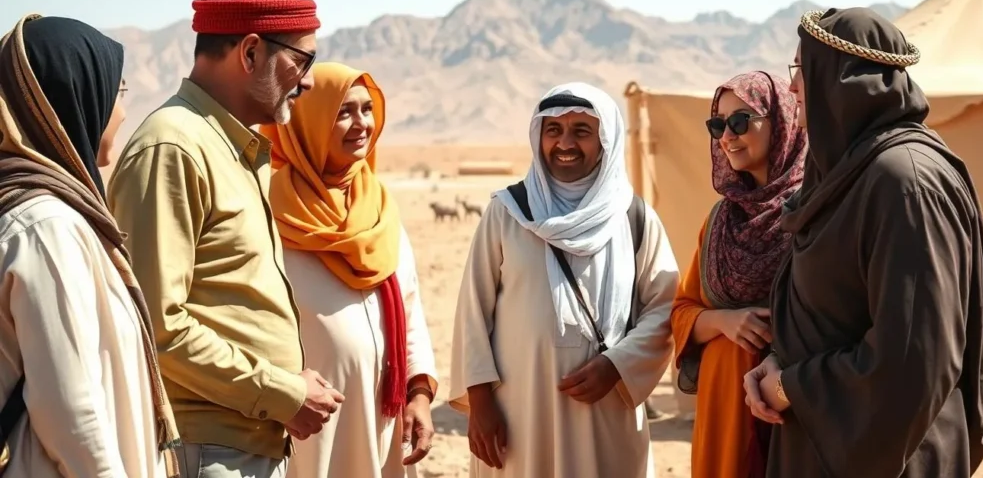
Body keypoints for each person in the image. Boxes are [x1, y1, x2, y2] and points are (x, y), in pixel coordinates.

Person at [742, 8, 983, 477]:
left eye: (801, 71)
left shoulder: (904, 182)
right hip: (821, 437)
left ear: (844, 81)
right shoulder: (845, 174)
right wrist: (775, 361)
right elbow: (834, 310)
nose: (793, 88)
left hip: (892, 454)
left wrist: (790, 386)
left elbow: (912, 359)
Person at [107, 0, 343, 478]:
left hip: (244, 441)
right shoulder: (173, 147)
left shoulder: (233, 147)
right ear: (252, 52)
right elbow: (156, 326)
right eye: (301, 62)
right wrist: (280, 392)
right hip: (205, 449)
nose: (307, 82)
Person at [448, 82, 679, 478]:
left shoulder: (635, 218)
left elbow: (664, 309)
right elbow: (473, 311)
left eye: (581, 131)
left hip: (607, 410)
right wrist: (481, 403)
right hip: (517, 413)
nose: (565, 143)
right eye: (553, 130)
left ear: (606, 139)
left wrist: (617, 365)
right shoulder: (507, 213)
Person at [0, 15, 180, 477]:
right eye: (119, 91)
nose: (122, 111)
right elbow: (71, 409)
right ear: (76, 96)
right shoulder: (46, 227)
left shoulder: (46, 212)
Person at [261, 62, 438, 478]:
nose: (361, 124)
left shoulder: (378, 207)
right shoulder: (266, 209)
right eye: (343, 112)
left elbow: (408, 309)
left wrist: (418, 393)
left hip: (382, 417)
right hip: (305, 418)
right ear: (307, 122)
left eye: (367, 109)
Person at [671, 71, 805, 478]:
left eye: (740, 121)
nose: (726, 136)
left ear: (780, 121)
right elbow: (681, 311)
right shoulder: (720, 221)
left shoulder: (813, 211)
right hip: (723, 404)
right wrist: (723, 321)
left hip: (789, 400)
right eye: (718, 124)